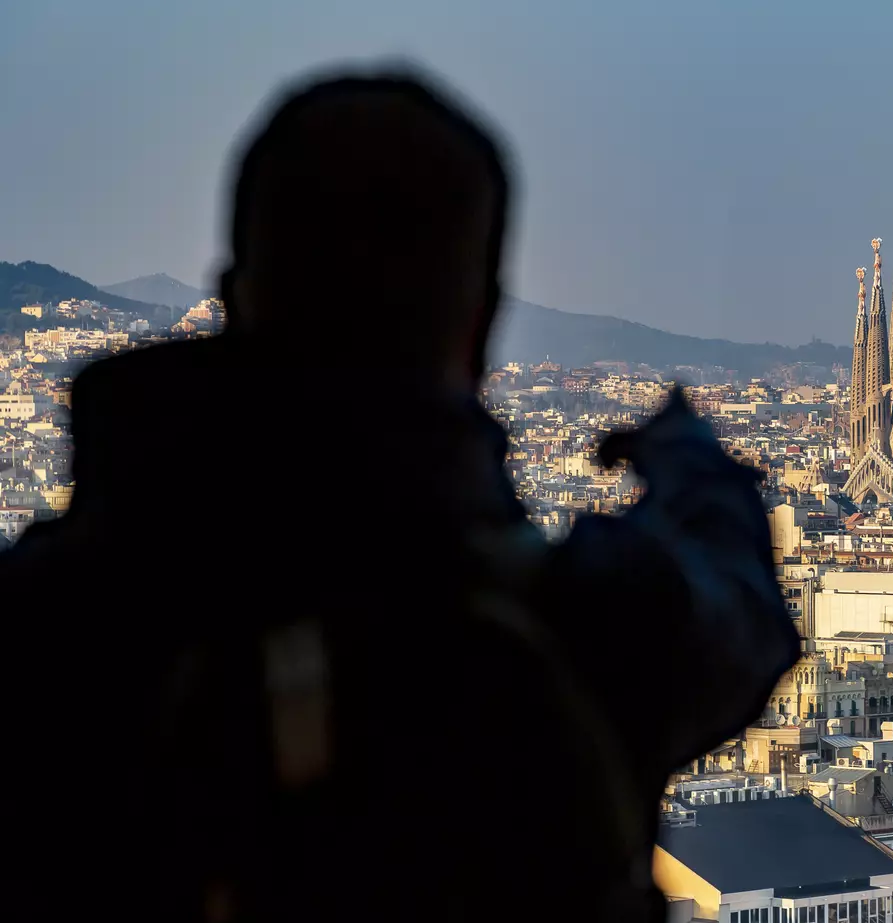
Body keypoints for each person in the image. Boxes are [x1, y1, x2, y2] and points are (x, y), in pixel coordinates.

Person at [0, 67, 799, 921]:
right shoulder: (578, 627)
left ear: (233, 297)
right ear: (481, 324)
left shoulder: (43, 629)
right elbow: (740, 619)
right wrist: (692, 465)